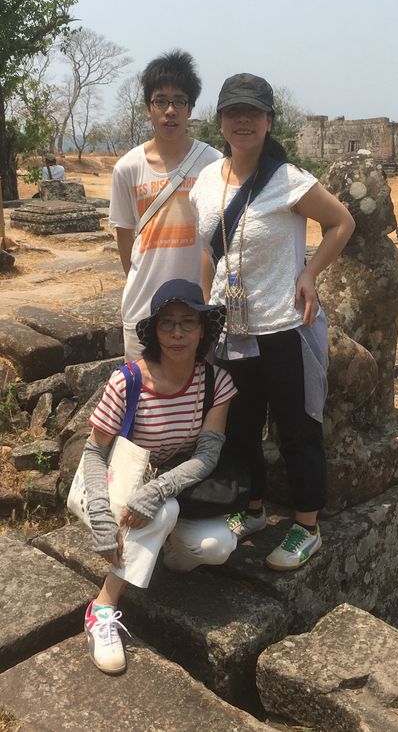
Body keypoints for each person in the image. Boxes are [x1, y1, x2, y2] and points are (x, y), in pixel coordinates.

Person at [190, 73, 354, 572]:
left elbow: (342, 222)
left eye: (252, 112)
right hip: (230, 329)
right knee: (239, 428)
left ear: (267, 121)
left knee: (296, 428)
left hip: (283, 325)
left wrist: (309, 272)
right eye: (233, 112)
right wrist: (205, 308)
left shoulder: (289, 179)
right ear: (220, 121)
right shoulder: (206, 181)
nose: (242, 120)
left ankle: (307, 525)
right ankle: (252, 510)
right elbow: (208, 251)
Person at [80, 279, 238, 675]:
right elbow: (94, 451)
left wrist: (159, 488)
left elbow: (207, 456)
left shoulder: (216, 383)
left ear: (203, 329)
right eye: (167, 323)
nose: (177, 333)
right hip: (117, 486)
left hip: (167, 486)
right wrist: (99, 511)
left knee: (219, 545)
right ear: (154, 331)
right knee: (163, 512)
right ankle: (102, 607)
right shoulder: (128, 381)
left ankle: (154, 549)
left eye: (188, 322)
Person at [109, 51, 222, 362]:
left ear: (190, 108)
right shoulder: (128, 168)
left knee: (197, 389)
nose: (170, 110)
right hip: (142, 308)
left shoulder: (213, 163)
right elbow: (124, 238)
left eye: (179, 101)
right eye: (161, 101)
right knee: (144, 389)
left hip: (197, 310)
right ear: (149, 107)